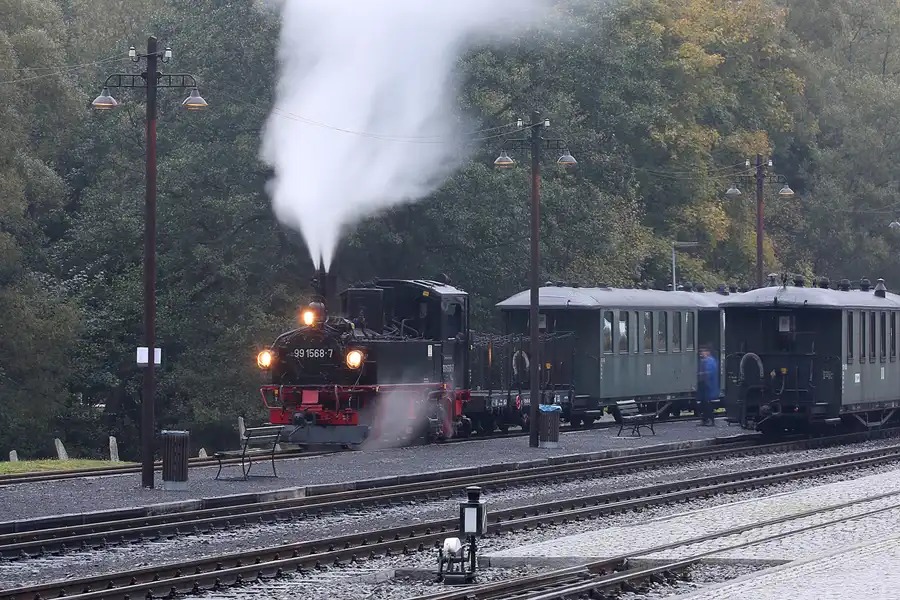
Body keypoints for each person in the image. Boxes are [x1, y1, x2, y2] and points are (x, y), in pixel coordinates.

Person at [697, 346, 719, 426]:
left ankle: (710, 420)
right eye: (700, 351)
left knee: (707, 404)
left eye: (703, 351)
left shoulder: (710, 361)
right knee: (703, 403)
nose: (701, 353)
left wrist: (700, 374)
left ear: (707, 352)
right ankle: (705, 419)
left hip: (708, 385)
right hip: (704, 385)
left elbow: (710, 373)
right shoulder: (703, 361)